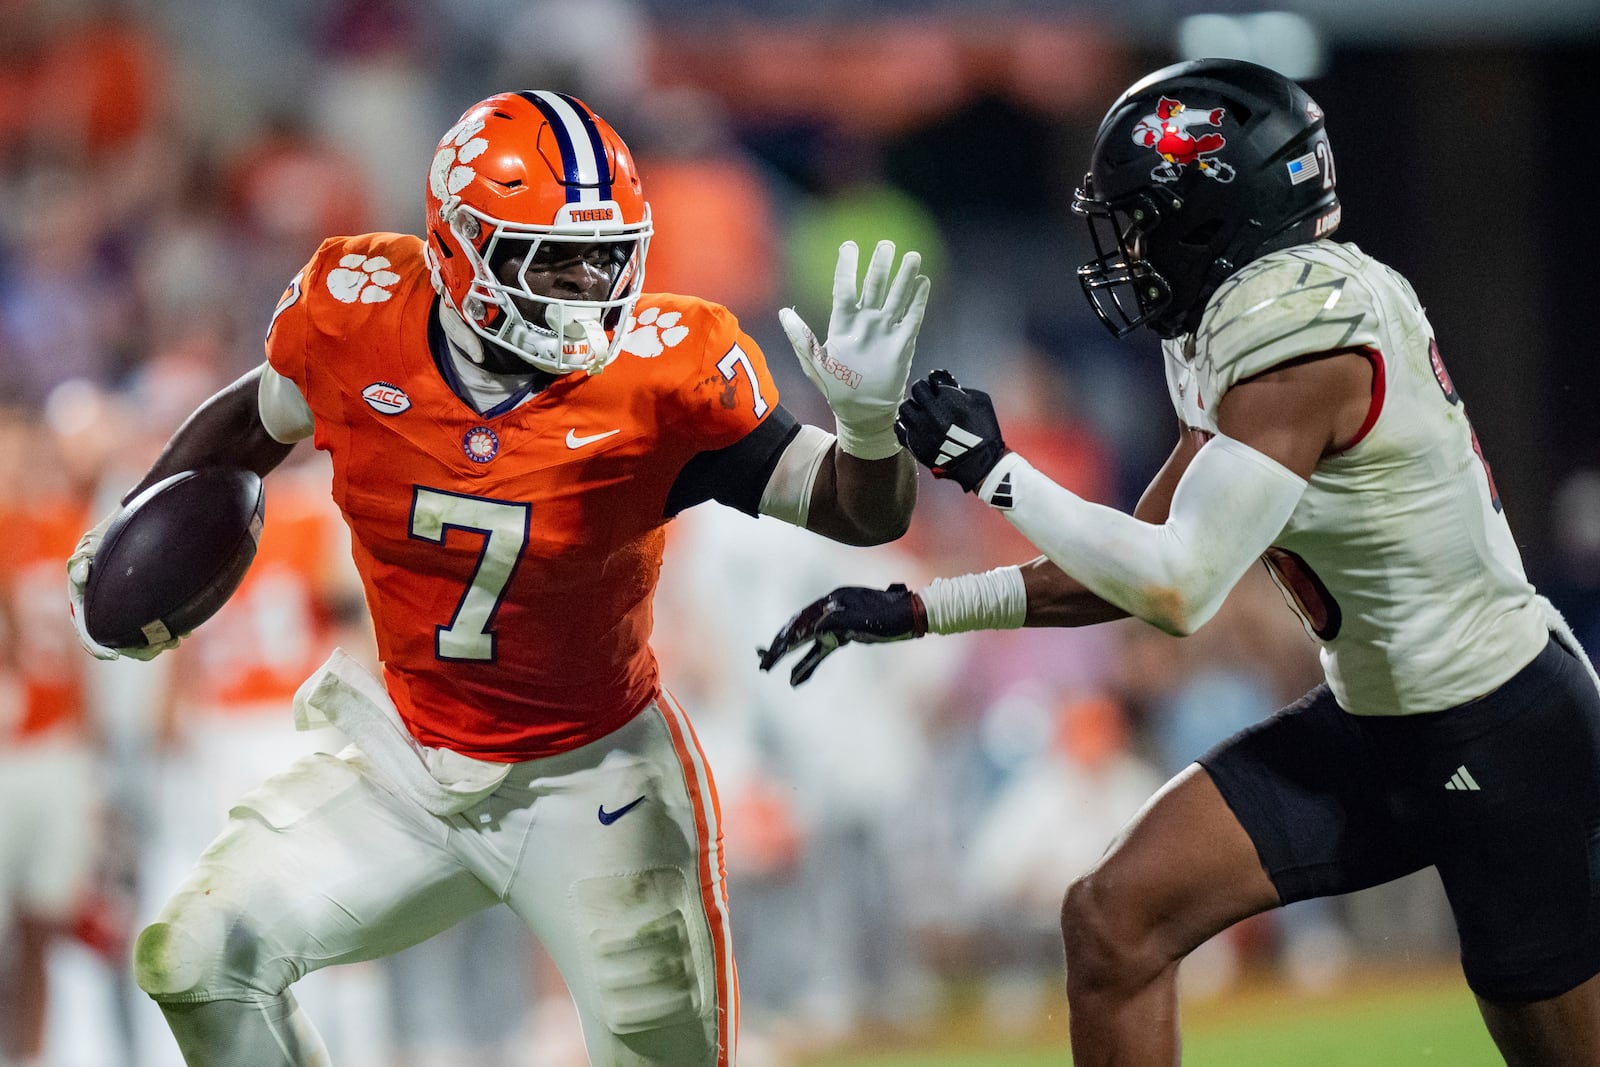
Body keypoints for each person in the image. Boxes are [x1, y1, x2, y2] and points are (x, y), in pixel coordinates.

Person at [758, 58, 1600, 1066]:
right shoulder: (1245, 315)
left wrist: (990, 470)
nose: (1128, 248)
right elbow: (1130, 560)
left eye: (1141, 217)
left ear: (1216, 207)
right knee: (1113, 918)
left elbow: (1177, 585)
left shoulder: (1298, 334)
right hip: (1379, 720)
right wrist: (915, 607)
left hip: (1499, 726)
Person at [65, 89, 928, 1067]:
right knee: (198, 956)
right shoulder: (359, 314)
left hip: (594, 776)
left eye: (606, 254)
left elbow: (858, 511)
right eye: (552, 256)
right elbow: (252, 419)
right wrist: (141, 514)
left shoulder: (661, 375)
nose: (587, 282)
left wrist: (865, 429)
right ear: (460, 244)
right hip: (407, 761)